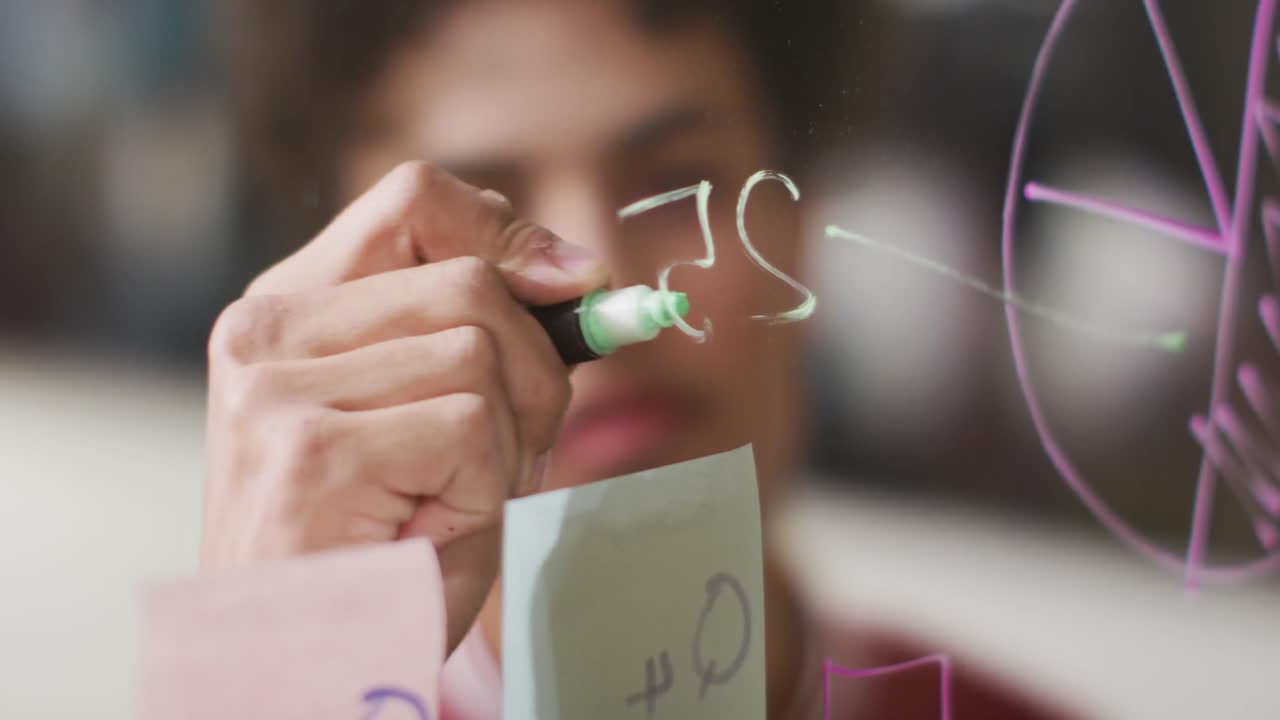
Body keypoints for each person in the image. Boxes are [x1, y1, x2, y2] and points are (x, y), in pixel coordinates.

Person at [208, 1, 1075, 717]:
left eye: (679, 183)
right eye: (484, 211)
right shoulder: (285, 698)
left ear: (805, 227)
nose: (597, 280)